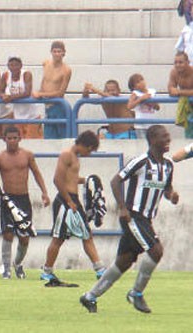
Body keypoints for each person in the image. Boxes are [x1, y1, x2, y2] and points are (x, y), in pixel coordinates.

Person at [80, 125, 178, 314]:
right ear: (152, 140)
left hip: (147, 219)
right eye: (164, 137)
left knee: (124, 261)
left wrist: (171, 195)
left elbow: (167, 189)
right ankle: (136, 294)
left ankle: (89, 296)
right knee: (156, 250)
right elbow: (116, 180)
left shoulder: (167, 166)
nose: (168, 140)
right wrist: (123, 207)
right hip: (133, 216)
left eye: (168, 137)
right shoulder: (140, 162)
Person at [40, 130, 106, 285]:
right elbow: (57, 180)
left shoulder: (75, 157)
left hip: (72, 200)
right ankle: (47, 272)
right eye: (90, 150)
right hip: (66, 201)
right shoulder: (66, 155)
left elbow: (72, 179)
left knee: (84, 235)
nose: (89, 154)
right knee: (59, 238)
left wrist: (89, 181)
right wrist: (68, 200)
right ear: (85, 145)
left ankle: (100, 269)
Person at [0, 126, 50, 279]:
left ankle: (18, 263)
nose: (12, 141)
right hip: (7, 199)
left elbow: (36, 173)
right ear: (4, 139)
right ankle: (7, 269)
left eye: (15, 138)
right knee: (7, 234)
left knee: (24, 236)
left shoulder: (27, 155)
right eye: (9, 138)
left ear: (20, 138)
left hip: (23, 199)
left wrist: (44, 192)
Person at [32, 41, 71, 139]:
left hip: (59, 107)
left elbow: (61, 93)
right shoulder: (46, 63)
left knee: (63, 138)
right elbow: (44, 80)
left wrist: (41, 94)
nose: (57, 54)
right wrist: (40, 93)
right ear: (51, 52)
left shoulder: (66, 70)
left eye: (59, 51)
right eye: (55, 51)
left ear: (64, 53)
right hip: (47, 107)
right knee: (49, 138)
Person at [0, 56, 43, 139]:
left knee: (33, 141)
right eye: (11, 65)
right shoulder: (6, 75)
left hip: (32, 116)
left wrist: (10, 97)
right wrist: (3, 96)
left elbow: (27, 93)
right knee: (20, 141)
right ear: (8, 66)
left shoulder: (26, 74)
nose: (14, 67)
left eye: (16, 65)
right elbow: (0, 91)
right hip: (18, 116)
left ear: (21, 65)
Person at [168, 51, 193, 138]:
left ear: (188, 62)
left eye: (180, 62)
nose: (178, 65)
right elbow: (170, 89)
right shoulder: (174, 72)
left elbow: (175, 91)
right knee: (189, 134)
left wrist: (179, 92)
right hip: (188, 108)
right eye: (176, 62)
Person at [127, 73, 160, 139]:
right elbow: (129, 106)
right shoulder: (135, 93)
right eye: (138, 82)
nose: (141, 82)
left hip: (151, 124)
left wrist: (151, 102)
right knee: (142, 144)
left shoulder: (152, 91)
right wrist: (140, 99)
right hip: (140, 125)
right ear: (134, 87)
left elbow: (158, 107)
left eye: (142, 80)